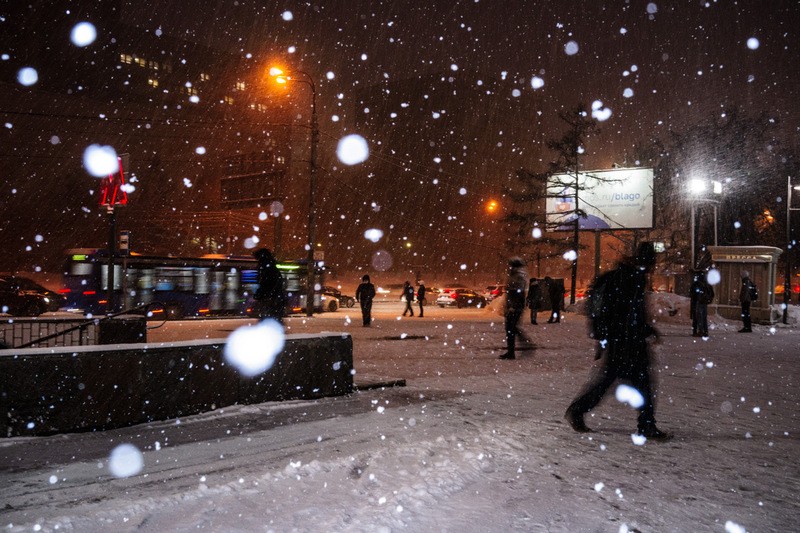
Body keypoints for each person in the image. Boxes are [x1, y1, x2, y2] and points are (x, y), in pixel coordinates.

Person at [564, 242, 672, 441]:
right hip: (627, 340)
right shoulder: (633, 278)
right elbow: (630, 313)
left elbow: (624, 311)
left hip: (620, 339)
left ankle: (578, 410)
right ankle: (645, 425)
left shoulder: (624, 274)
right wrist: (644, 330)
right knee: (640, 382)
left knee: (611, 380)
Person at [499, 257, 529, 360]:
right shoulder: (515, 275)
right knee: (511, 328)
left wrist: (513, 306)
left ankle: (518, 349)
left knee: (511, 328)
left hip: (515, 306)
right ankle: (513, 350)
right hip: (513, 306)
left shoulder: (518, 276)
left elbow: (517, 293)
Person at [253, 248, 287, 324]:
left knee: (268, 319)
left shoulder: (266, 268)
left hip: (271, 299)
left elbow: (266, 284)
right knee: (272, 320)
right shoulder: (271, 267)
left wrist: (260, 294)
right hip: (274, 299)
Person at [690, 270, 714, 337]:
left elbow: (693, 293)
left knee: (699, 317)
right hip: (704, 302)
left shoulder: (697, 283)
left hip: (699, 302)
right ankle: (705, 331)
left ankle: (700, 331)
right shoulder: (707, 284)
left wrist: (697, 298)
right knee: (704, 317)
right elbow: (712, 293)